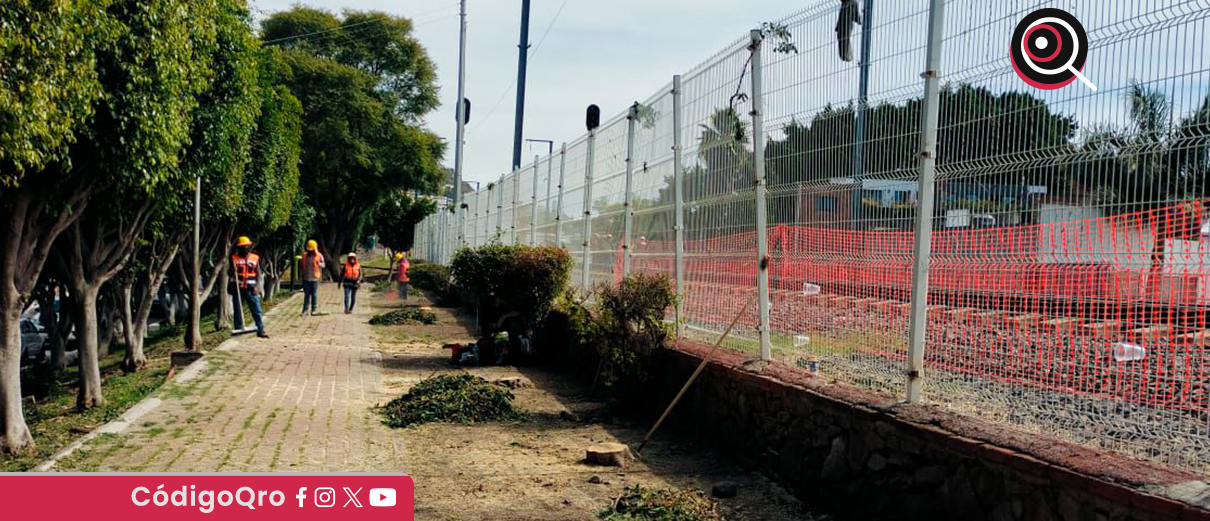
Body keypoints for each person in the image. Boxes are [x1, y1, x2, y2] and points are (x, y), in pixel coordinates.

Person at [232, 236, 269, 338]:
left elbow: (258, 274)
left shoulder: (254, 258)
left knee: (256, 309)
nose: (244, 248)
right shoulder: (234, 258)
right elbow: (228, 274)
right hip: (238, 289)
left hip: (251, 288)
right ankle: (238, 329)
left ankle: (260, 330)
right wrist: (232, 274)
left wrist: (257, 287)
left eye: (246, 246)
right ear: (238, 247)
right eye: (242, 247)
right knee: (238, 310)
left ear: (249, 246)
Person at [300, 239, 325, 316]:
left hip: (314, 278)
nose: (310, 251)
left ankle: (313, 309)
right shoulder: (304, 256)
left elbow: (324, 265)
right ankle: (305, 310)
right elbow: (301, 266)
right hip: (306, 278)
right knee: (306, 294)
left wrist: (319, 264)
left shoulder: (319, 256)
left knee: (314, 294)